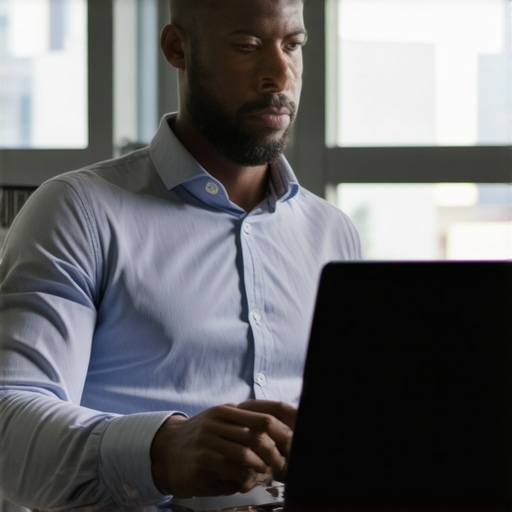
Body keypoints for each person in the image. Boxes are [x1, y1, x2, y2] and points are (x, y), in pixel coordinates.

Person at [0, 0, 362, 509]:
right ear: (177, 48)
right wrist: (161, 451)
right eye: (248, 46)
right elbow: (7, 421)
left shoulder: (334, 233)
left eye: (293, 45)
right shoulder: (77, 211)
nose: (280, 74)